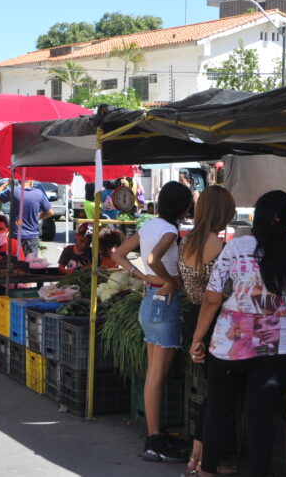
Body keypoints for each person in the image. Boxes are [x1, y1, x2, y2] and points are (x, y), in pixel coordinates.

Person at [189, 190, 286, 477]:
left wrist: (197, 338)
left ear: (257, 216)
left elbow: (212, 299)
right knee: (261, 418)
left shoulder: (237, 247)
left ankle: (207, 472)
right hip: (278, 347)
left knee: (218, 410)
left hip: (230, 344)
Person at [113, 181, 193, 463]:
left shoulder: (148, 225)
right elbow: (152, 258)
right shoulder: (170, 230)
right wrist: (170, 282)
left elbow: (119, 254)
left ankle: (155, 435)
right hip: (164, 303)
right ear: (183, 206)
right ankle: (155, 440)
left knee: (153, 375)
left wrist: (142, 277)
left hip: (150, 299)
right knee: (158, 376)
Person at [177, 186, 236, 475]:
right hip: (215, 322)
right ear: (225, 214)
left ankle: (197, 454)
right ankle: (204, 458)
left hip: (193, 318)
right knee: (217, 396)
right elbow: (218, 296)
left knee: (211, 393)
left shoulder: (185, 242)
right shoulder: (223, 248)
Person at [0, 179, 53, 258]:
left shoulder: (13, 191)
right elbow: (50, 212)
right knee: (30, 265)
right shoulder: (39, 194)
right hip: (32, 237)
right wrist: (38, 217)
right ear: (31, 181)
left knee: (15, 266)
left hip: (15, 236)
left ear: (19, 181)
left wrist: (7, 183)